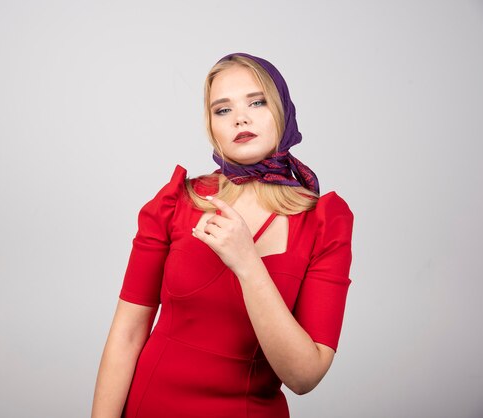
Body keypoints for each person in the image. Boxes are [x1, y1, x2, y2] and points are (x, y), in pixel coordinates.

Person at [91, 52, 354, 418]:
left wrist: (248, 264)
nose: (240, 117)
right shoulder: (176, 201)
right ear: (211, 126)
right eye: (223, 110)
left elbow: (304, 376)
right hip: (150, 406)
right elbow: (128, 333)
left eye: (257, 102)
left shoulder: (324, 222)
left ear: (283, 111)